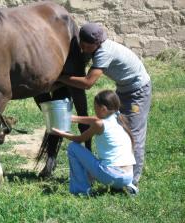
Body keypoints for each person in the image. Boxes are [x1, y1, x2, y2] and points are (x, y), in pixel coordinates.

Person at [57, 23, 152, 186]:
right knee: (118, 128)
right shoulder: (95, 48)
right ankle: (116, 169)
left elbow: (88, 83)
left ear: (96, 43)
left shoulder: (103, 52)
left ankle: (132, 181)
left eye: (86, 46)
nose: (83, 48)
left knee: (133, 132)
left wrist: (59, 78)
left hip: (138, 92)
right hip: (124, 89)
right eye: (82, 44)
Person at [52, 90, 138, 195]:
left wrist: (61, 133)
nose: (94, 110)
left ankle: (81, 190)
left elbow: (79, 139)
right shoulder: (118, 118)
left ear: (103, 109)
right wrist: (73, 118)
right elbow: (95, 119)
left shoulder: (100, 124)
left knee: (73, 147)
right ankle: (126, 187)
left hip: (111, 176)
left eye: (95, 108)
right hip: (128, 177)